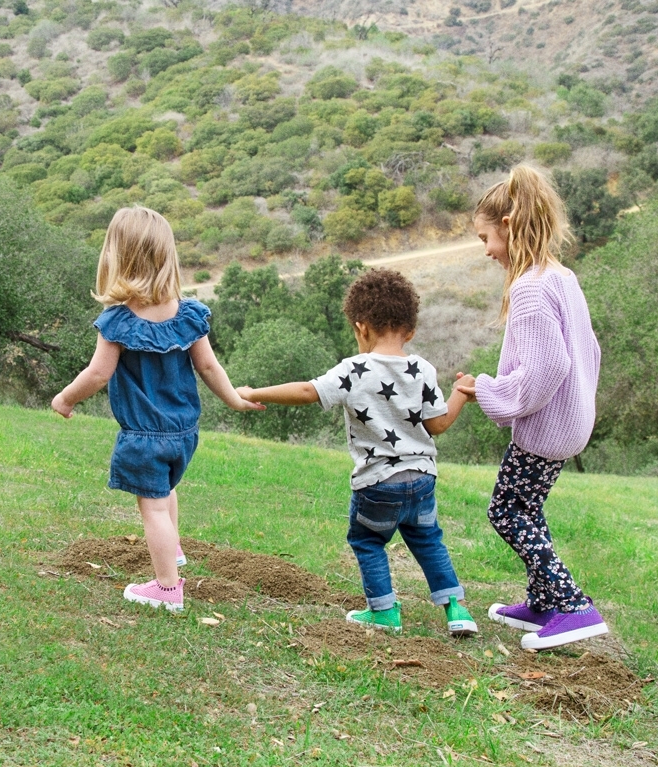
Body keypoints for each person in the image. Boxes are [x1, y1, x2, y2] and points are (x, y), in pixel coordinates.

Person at [237, 269, 478, 636]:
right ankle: (457, 610)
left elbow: (307, 392)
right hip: (422, 479)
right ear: (410, 330)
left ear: (360, 327)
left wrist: (254, 392)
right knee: (429, 540)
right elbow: (438, 425)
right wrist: (460, 391)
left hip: (378, 482)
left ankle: (383, 612)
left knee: (367, 541)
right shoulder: (423, 369)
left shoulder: (354, 369)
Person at [52, 207, 263, 612]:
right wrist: (234, 397)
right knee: (165, 492)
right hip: (184, 431)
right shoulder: (187, 314)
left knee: (152, 506)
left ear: (118, 258)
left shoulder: (117, 320)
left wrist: (65, 399)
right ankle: (176, 550)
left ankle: (167, 589)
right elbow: (208, 366)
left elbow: (98, 374)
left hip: (144, 435)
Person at [456, 164, 609, 651]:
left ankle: (572, 605)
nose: (487, 251)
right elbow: (589, 349)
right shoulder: (561, 277)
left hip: (547, 426)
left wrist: (486, 389)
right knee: (529, 508)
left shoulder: (529, 289)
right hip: (571, 420)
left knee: (506, 511)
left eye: (487, 238)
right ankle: (542, 602)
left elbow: (546, 368)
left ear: (508, 226)